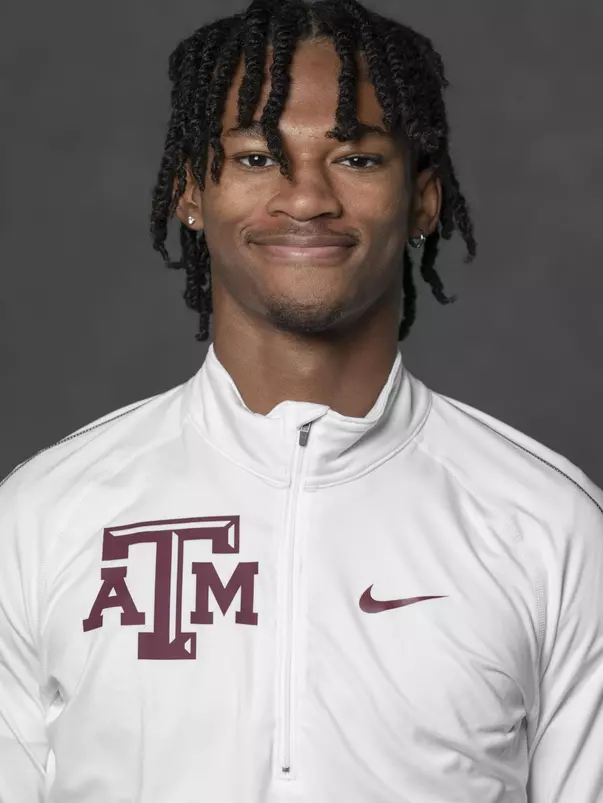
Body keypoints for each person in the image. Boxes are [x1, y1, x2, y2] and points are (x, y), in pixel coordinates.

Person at [1, 0, 601, 800]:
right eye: (255, 158)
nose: (306, 197)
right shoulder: (42, 516)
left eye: (356, 159)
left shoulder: (551, 526)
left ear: (423, 200)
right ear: (191, 193)